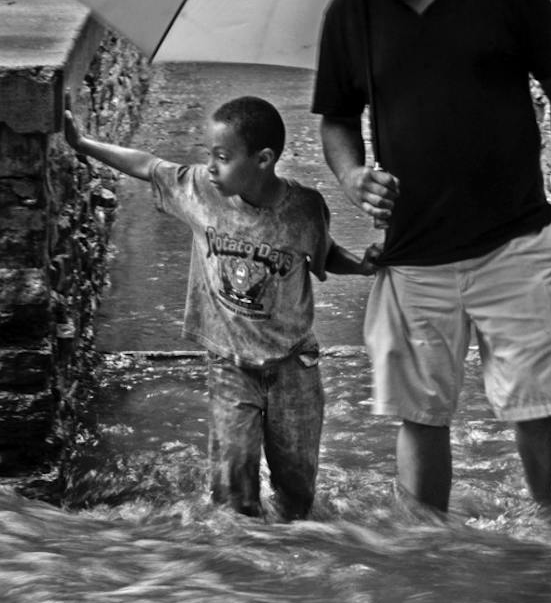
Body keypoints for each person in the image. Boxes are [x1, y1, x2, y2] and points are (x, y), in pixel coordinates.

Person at [312, 0, 551, 517]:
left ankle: (545, 508)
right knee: (419, 410)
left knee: (541, 396)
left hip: (517, 236)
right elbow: (338, 120)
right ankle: (428, 548)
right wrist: (352, 176)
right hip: (411, 252)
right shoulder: (352, 10)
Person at [63, 95, 372, 521]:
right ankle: (242, 570)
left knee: (297, 494)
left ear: (264, 160)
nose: (210, 166)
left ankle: (291, 568)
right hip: (230, 366)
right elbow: (147, 165)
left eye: (223, 157)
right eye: (209, 155)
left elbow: (323, 254)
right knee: (232, 496)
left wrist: (362, 266)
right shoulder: (200, 191)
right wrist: (82, 143)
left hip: (293, 369)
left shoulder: (303, 209)